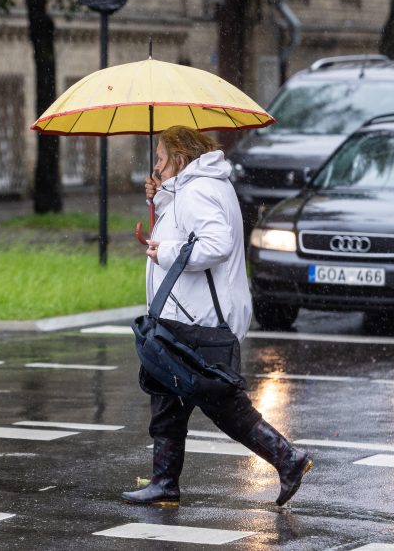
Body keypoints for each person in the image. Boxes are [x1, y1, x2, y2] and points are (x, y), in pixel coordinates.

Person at [121, 125, 312, 507]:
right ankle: (164, 483)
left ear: (179, 159)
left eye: (160, 161)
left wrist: (166, 253)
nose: (156, 168)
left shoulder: (199, 190)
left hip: (199, 319)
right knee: (166, 397)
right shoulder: (202, 186)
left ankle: (287, 458)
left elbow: (214, 244)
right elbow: (186, 226)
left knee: (224, 404)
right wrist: (160, 200)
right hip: (185, 316)